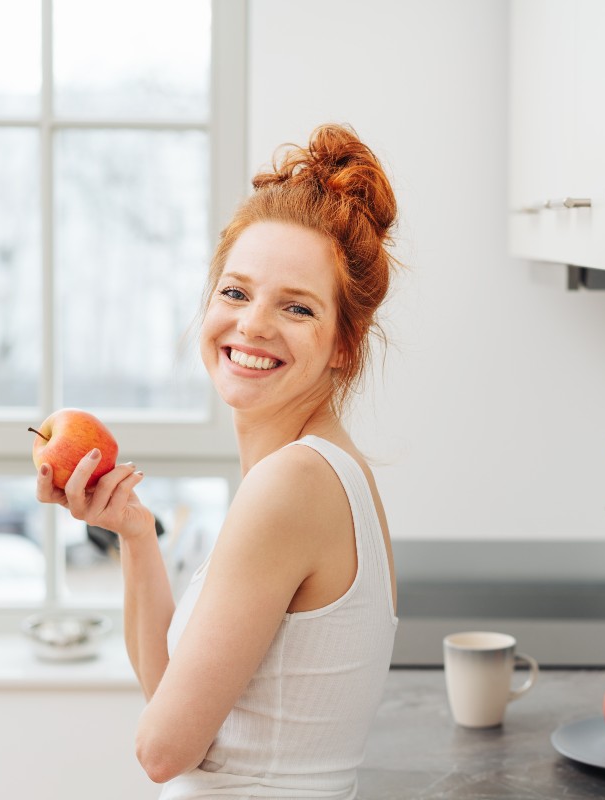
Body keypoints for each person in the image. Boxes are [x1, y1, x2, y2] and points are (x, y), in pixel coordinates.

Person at [36, 123, 401, 798]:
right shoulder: (317, 471)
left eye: (296, 306)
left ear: (344, 345)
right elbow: (174, 699)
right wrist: (136, 534)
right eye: (235, 292)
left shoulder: (291, 484)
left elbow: (163, 748)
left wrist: (161, 734)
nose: (253, 324)